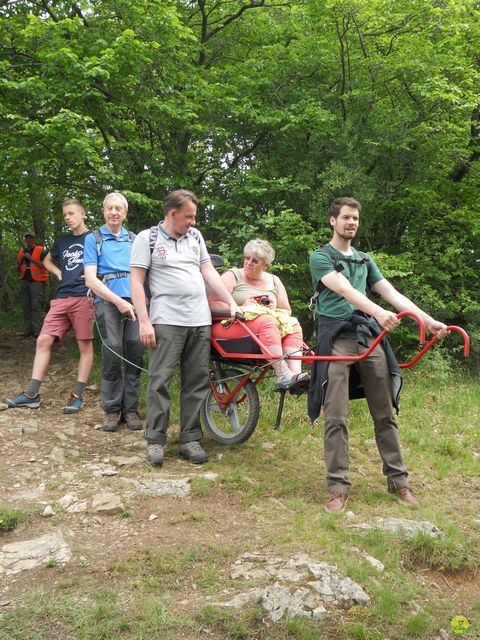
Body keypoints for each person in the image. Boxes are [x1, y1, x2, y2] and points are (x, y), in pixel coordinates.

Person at [309, 197, 448, 513]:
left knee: (385, 412)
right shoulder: (320, 257)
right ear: (333, 220)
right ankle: (337, 487)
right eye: (346, 217)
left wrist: (427, 320)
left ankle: (398, 481)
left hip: (367, 337)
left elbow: (392, 293)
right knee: (336, 416)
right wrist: (377, 312)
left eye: (356, 218)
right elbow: (344, 289)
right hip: (337, 340)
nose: (352, 223)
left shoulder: (364, 259)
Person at [130, 189, 238, 466]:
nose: (194, 222)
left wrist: (229, 301)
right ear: (172, 213)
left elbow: (208, 271)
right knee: (160, 381)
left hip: (199, 321)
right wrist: (144, 320)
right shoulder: (147, 238)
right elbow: (136, 282)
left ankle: (189, 439)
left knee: (197, 382)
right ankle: (155, 441)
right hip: (166, 321)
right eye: (189, 216)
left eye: (195, 217)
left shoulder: (195, 237)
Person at [6, 198, 94, 413]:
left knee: (84, 345)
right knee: (43, 339)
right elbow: (47, 260)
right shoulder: (62, 241)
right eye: (65, 215)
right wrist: (58, 272)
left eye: (72, 213)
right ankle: (32, 394)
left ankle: (77, 395)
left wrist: (96, 279)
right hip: (62, 296)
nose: (68, 218)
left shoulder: (93, 238)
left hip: (84, 296)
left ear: (83, 214)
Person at [209, 238, 308, 390]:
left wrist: (273, 308)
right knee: (266, 320)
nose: (248, 263)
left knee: (293, 324)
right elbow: (212, 304)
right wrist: (241, 307)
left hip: (262, 329)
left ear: (266, 265)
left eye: (255, 261)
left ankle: (296, 376)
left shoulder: (274, 281)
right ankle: (283, 374)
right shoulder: (233, 275)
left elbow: (286, 311)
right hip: (230, 326)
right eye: (247, 258)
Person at [83, 192, 144, 433]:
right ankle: (111, 409)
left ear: (125, 213)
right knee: (113, 350)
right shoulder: (94, 239)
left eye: (119, 208)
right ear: (104, 212)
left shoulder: (134, 239)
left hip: (136, 301)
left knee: (135, 350)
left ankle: (130, 410)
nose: (114, 212)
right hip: (108, 301)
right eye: (110, 208)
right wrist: (118, 301)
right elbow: (90, 279)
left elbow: (144, 273)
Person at [17, 231, 49, 337]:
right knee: (26, 306)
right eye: (27, 238)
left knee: (36, 306)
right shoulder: (22, 251)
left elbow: (45, 265)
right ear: (25, 240)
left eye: (31, 238)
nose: (29, 240)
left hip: (37, 281)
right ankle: (28, 330)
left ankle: (37, 332)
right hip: (24, 281)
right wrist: (22, 260)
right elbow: (17, 268)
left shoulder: (40, 250)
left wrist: (30, 258)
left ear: (34, 239)